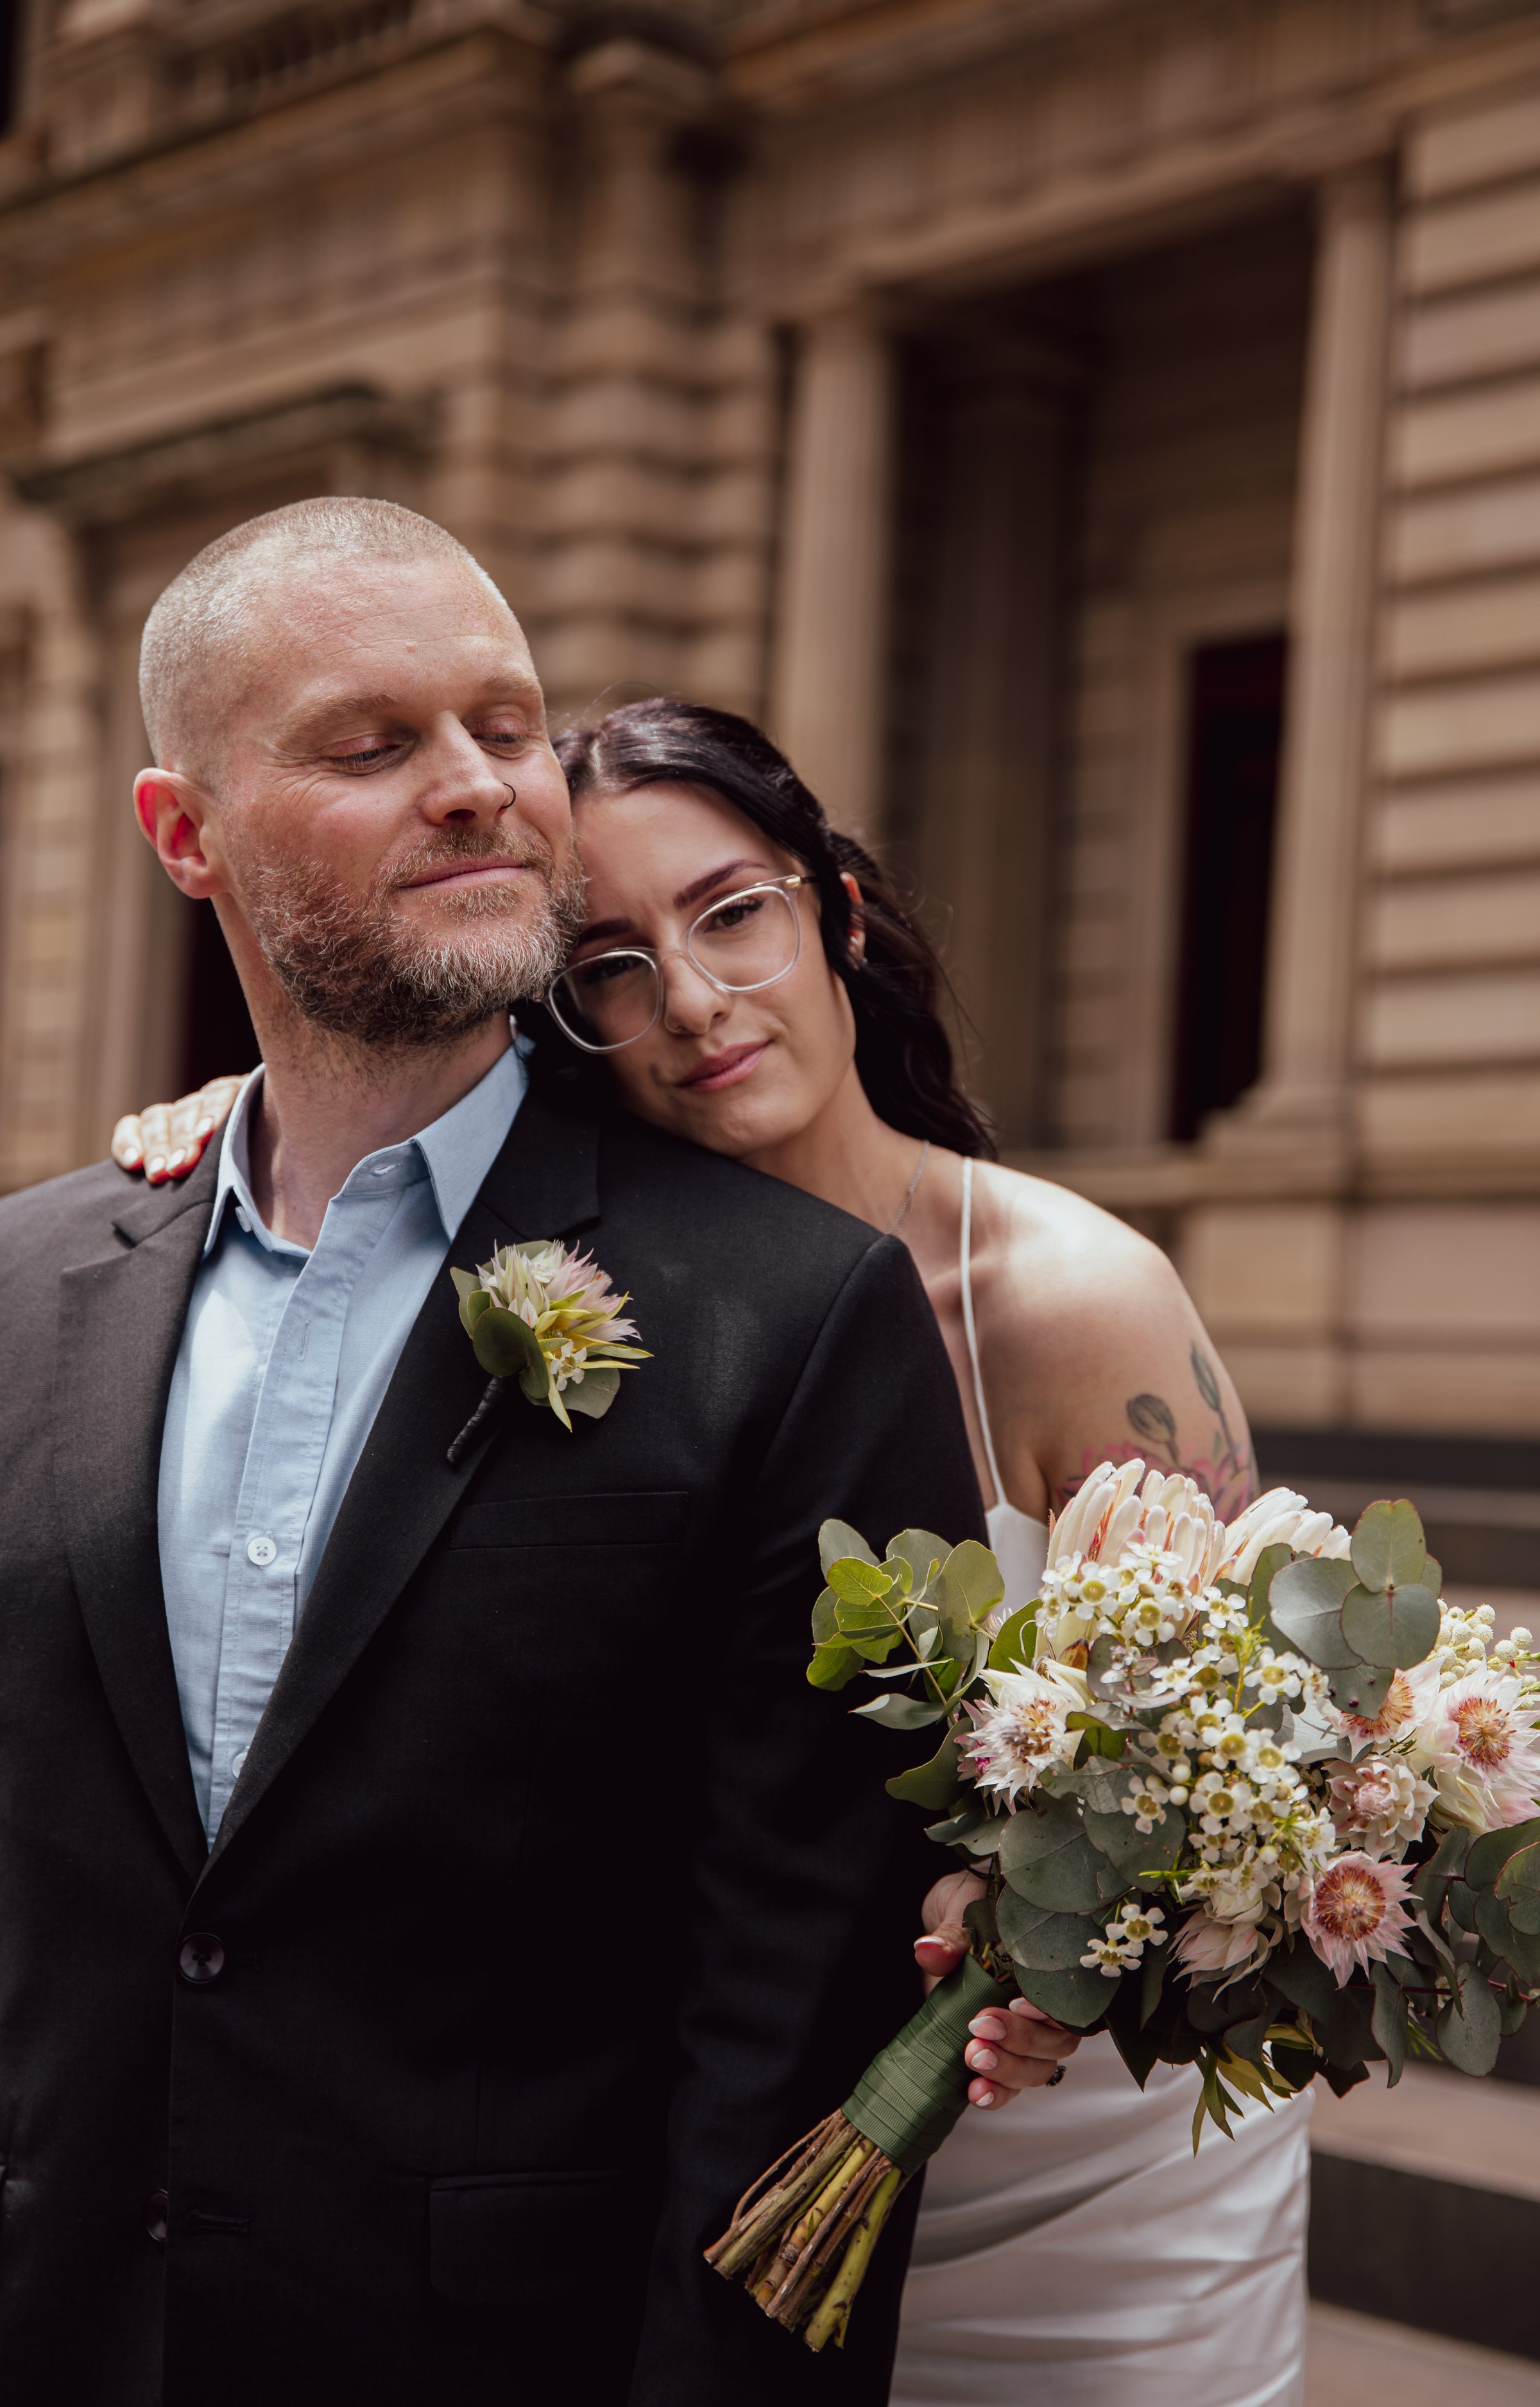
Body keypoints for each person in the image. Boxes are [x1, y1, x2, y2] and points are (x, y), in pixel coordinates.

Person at [120, 696, 1313, 2406]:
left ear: (831, 909)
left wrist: (1047, 1922)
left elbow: (1234, 1771)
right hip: (703, 2158)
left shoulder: (1062, 1301)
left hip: (1063, 2167)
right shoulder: (573, 1292)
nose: (689, 1003)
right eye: (606, 965)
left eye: (731, 912)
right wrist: (263, 1108)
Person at [0, 502, 986, 2407]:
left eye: (507, 727)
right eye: (371, 748)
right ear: (183, 835)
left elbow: (787, 2033)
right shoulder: (25, 1286)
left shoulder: (795, 1316)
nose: (474, 789)